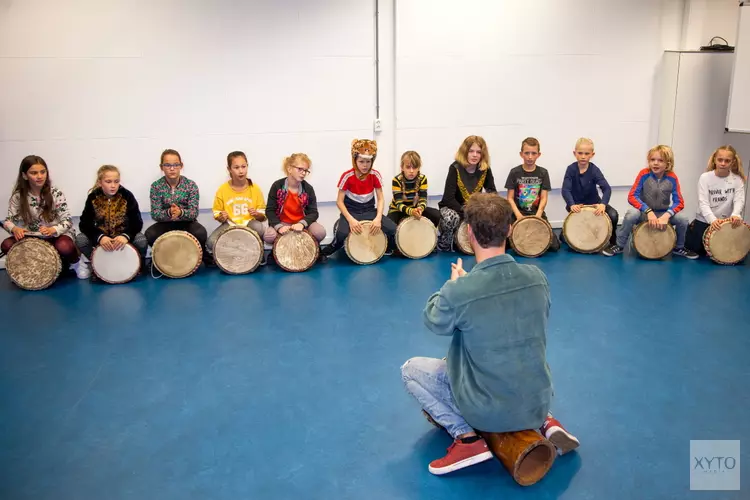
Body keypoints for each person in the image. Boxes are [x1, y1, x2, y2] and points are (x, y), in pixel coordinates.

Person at [401, 193, 579, 476]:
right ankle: (546, 421)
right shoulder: (537, 277)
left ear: (469, 233)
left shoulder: (459, 291)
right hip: (537, 400)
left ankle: (467, 438)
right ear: (509, 228)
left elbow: (434, 320)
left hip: (487, 411)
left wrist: (453, 284)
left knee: (411, 370)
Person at [602, 145, 698, 258]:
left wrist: (667, 215)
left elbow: (679, 202)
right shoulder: (643, 174)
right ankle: (619, 245)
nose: (655, 163)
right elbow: (632, 196)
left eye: (660, 160)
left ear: (668, 163)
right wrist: (648, 211)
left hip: (662, 214)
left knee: (683, 219)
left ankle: (679, 247)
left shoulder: (672, 177)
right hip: (645, 214)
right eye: (653, 160)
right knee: (631, 214)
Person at [321, 139, 397, 257]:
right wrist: (351, 220)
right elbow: (339, 202)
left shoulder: (375, 175)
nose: (365, 165)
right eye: (361, 161)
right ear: (354, 160)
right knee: (341, 234)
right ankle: (332, 246)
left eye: (368, 161)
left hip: (369, 210)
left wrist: (377, 218)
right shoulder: (347, 176)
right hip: (351, 211)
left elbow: (381, 198)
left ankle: (386, 246)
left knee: (392, 229)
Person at [1, 155, 79, 270]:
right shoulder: (18, 197)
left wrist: (53, 230)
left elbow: (67, 221)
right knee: (6, 245)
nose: (40, 176)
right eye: (34, 173)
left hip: (55, 235)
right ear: (24, 176)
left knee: (64, 246)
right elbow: (8, 221)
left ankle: (76, 263)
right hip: (32, 236)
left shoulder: (56, 193)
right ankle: (33, 268)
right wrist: (15, 229)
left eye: (43, 172)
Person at [75, 165, 148, 278]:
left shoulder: (127, 196)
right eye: (108, 182)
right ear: (100, 182)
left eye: (116, 181)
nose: (113, 185)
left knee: (141, 240)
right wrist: (100, 237)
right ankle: (97, 265)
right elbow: (84, 224)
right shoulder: (93, 198)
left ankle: (137, 266)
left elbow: (137, 222)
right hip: (103, 239)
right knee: (81, 239)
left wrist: (125, 236)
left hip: (122, 238)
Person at [145, 149, 208, 262]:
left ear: (181, 166)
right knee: (150, 234)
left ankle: (199, 257)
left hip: (186, 223)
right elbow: (155, 213)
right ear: (161, 167)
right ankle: (162, 258)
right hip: (165, 223)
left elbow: (194, 212)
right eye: (168, 165)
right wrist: (169, 212)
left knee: (200, 232)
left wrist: (181, 213)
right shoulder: (156, 187)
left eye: (175, 165)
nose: (172, 168)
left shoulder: (190, 185)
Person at [437, 135, 497, 252]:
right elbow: (448, 198)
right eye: (471, 151)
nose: (475, 155)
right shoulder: (455, 168)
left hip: (472, 208)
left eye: (478, 152)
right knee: (450, 217)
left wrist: (486, 208)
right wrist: (467, 212)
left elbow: (492, 192)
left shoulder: (485, 169)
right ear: (465, 152)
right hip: (453, 208)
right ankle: (444, 244)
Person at [685, 145, 746, 256]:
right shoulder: (705, 177)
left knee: (726, 252)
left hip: (725, 222)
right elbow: (703, 202)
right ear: (714, 160)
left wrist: (736, 214)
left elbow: (739, 200)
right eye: (720, 160)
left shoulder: (737, 180)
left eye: (727, 161)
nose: (723, 163)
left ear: (732, 162)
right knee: (697, 250)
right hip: (705, 220)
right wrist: (712, 220)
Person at [207, 151, 267, 259]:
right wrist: (222, 217)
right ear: (229, 169)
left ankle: (259, 252)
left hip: (249, 224)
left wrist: (257, 214)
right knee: (211, 243)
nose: (241, 171)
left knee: (258, 226)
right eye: (236, 167)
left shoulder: (255, 189)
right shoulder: (222, 189)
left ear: (247, 166)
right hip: (230, 224)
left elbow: (262, 216)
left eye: (243, 167)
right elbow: (217, 213)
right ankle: (237, 252)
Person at [504, 137, 561, 251]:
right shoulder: (514, 172)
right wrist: (518, 216)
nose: (530, 157)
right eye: (527, 153)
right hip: (517, 213)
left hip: (536, 212)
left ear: (538, 155)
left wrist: (539, 215)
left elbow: (544, 198)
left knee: (554, 245)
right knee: (505, 243)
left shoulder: (543, 173)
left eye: (533, 153)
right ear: (521, 154)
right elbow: (509, 198)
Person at [561, 138, 619, 249]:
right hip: (577, 205)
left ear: (592, 154)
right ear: (575, 153)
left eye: (586, 153)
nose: (583, 156)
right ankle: (569, 235)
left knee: (613, 214)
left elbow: (606, 188)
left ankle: (612, 241)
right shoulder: (571, 169)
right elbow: (565, 190)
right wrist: (572, 204)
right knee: (564, 239)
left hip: (594, 204)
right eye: (580, 153)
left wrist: (603, 204)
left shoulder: (594, 170)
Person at [264, 153, 326, 246]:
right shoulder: (277, 186)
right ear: (289, 169)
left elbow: (314, 213)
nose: (303, 173)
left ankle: (315, 250)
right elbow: (270, 210)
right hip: (283, 223)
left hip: (301, 222)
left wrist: (302, 224)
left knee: (320, 232)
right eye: (300, 169)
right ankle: (276, 252)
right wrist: (279, 227)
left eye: (306, 170)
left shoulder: (308, 189)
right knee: (269, 236)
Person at [387, 151, 441, 228]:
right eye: (408, 167)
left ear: (419, 168)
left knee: (437, 215)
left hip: (415, 208)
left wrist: (420, 209)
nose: (411, 171)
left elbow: (423, 199)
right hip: (398, 210)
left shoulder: (422, 179)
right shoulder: (396, 180)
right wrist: (411, 211)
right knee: (389, 227)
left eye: (414, 167)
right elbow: (398, 204)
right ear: (402, 167)